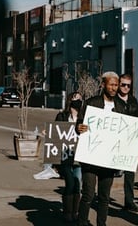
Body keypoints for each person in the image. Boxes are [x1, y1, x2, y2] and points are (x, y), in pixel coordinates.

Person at [76, 71, 130, 226]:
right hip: (91, 158)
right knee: (88, 194)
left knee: (104, 196)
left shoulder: (121, 106)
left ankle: (102, 223)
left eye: (116, 84)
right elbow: (79, 123)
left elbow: (127, 129)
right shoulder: (91, 103)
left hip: (109, 159)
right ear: (103, 85)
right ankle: (82, 222)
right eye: (111, 84)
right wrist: (79, 127)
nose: (114, 88)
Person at [116, 73, 138, 213]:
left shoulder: (133, 100)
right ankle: (103, 200)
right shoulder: (113, 100)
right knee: (109, 172)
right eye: (123, 84)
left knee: (130, 173)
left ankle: (129, 201)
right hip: (116, 140)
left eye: (128, 85)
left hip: (130, 140)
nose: (126, 87)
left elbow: (137, 118)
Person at [57, 92, 83, 222]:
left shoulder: (84, 117)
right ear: (69, 100)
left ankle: (75, 211)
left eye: (80, 98)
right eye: (75, 98)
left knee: (78, 184)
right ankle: (67, 211)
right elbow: (56, 133)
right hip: (65, 156)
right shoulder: (62, 116)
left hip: (79, 158)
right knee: (70, 183)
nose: (78, 100)